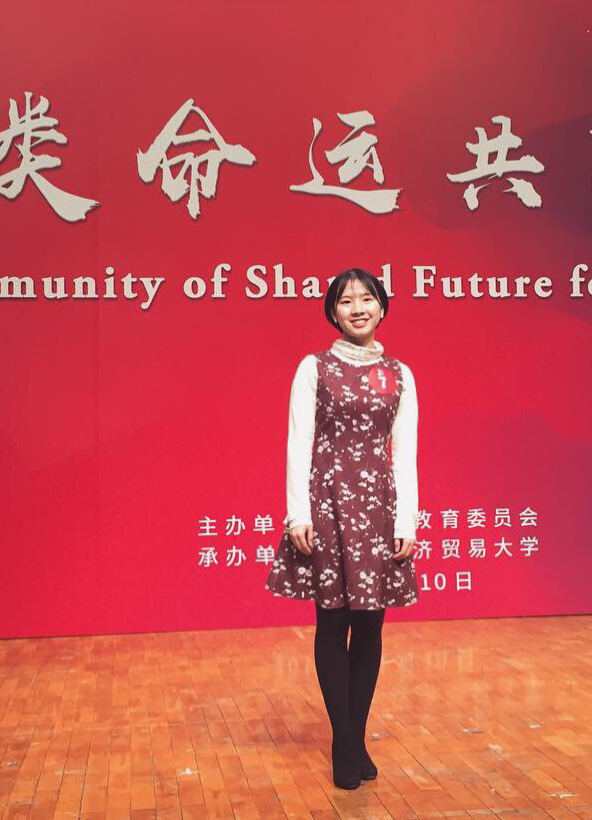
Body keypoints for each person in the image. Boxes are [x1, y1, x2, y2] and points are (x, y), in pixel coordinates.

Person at [264, 267, 420, 790]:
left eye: (367, 298)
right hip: (327, 502)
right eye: (346, 301)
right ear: (333, 312)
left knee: (370, 626)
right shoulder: (314, 367)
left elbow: (405, 452)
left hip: (378, 508)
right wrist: (297, 514)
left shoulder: (400, 373)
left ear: (382, 307)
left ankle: (354, 738)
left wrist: (407, 519)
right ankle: (344, 744)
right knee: (332, 623)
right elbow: (298, 442)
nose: (358, 308)